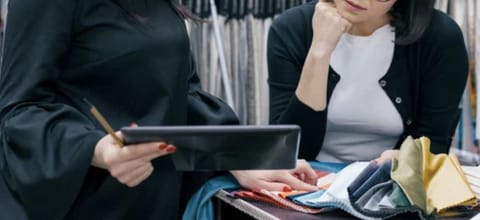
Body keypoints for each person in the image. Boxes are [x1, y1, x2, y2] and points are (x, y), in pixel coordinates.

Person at [0, 0, 316, 219]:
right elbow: (21, 110)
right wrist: (96, 149)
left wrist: (241, 156)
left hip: (150, 200)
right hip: (78, 201)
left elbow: (181, 94)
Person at [266, 0, 468, 163]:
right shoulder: (291, 28)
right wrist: (319, 52)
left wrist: (402, 162)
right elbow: (287, 150)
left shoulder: (440, 37)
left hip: (391, 187)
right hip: (307, 181)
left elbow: (433, 143)